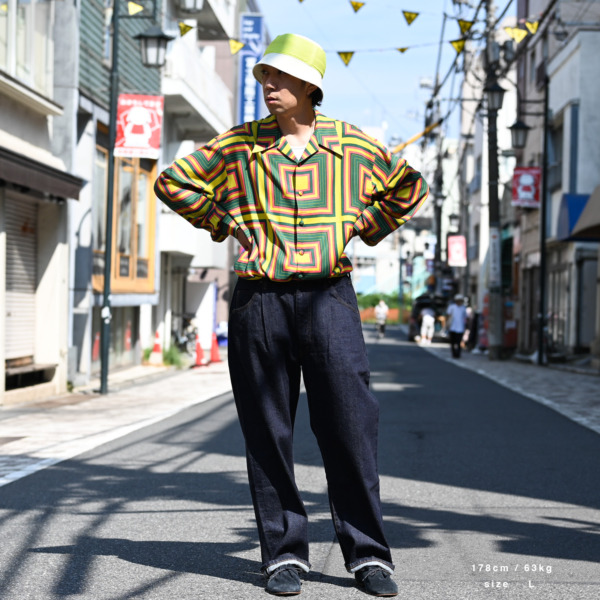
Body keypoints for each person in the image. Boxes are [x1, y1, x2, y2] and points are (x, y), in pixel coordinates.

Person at [155, 33, 429, 597]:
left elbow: (409, 187)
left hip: (331, 297)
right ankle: (284, 554)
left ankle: (369, 555)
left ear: (311, 86)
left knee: (352, 428)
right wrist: (226, 223)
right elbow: (172, 181)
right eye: (262, 77)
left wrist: (361, 226)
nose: (268, 86)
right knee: (268, 431)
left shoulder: (353, 146)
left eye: (278, 77)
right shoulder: (239, 145)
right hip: (260, 302)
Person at [446, 294, 468, 358]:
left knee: (459, 342)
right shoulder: (452, 307)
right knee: (452, 342)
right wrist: (447, 324)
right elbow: (448, 315)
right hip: (452, 327)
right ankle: (453, 354)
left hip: (460, 327)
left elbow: (466, 317)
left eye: (460, 301)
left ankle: (458, 354)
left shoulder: (463, 308)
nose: (459, 302)